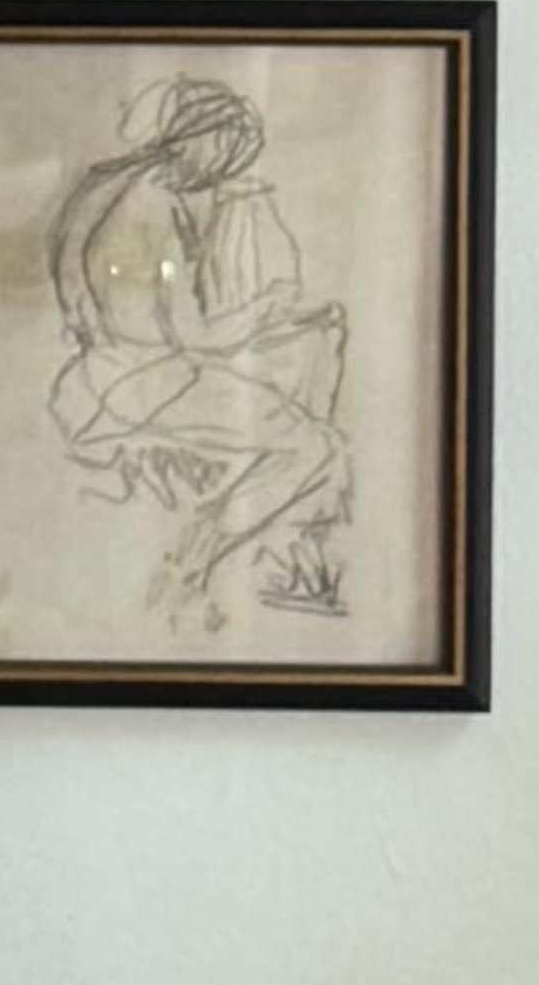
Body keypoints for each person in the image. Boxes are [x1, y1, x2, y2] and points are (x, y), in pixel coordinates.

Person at [42, 76, 350, 631]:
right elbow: (193, 334)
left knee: (292, 367)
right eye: (225, 149)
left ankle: (286, 556)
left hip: (98, 373)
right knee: (313, 446)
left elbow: (97, 302)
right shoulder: (156, 209)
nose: (225, 168)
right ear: (198, 139)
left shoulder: (107, 189)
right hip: (144, 385)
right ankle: (192, 561)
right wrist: (269, 311)